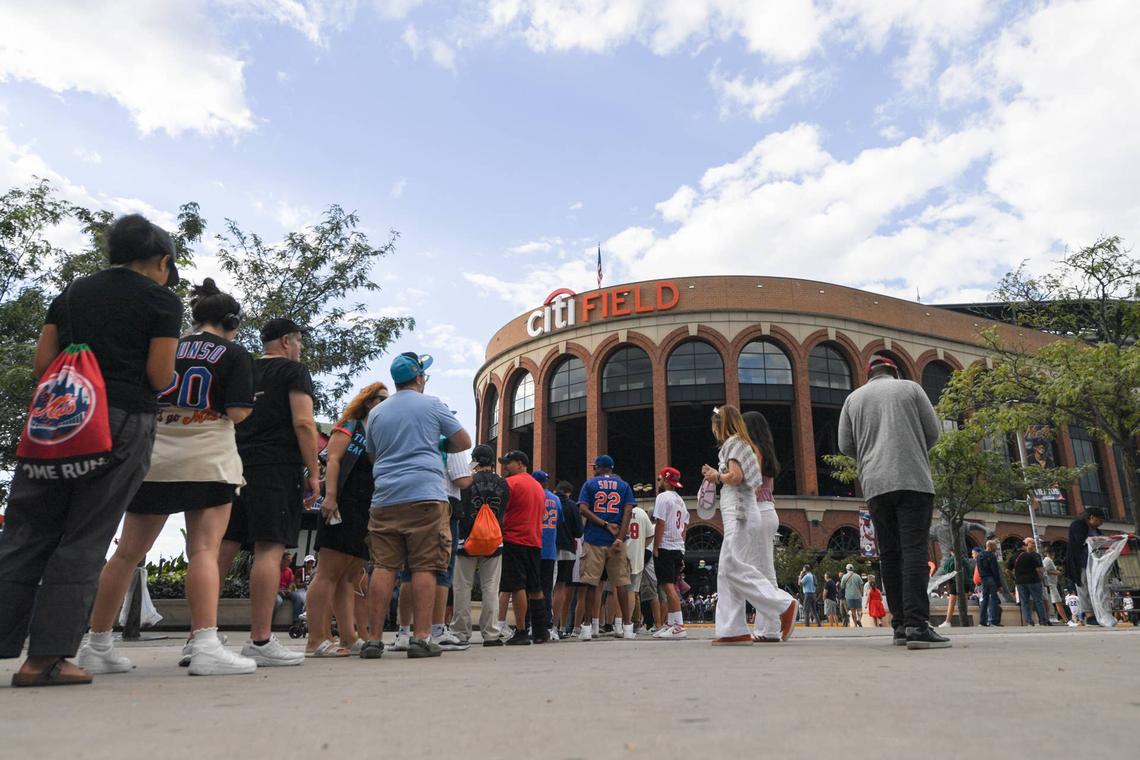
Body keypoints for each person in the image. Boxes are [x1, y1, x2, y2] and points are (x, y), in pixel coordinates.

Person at [0, 216, 182, 687]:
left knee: (24, 535)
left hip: (56, 421)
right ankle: (46, 660)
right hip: (119, 423)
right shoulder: (161, 300)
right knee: (83, 538)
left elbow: (44, 363)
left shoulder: (72, 294)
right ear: (162, 261)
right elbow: (160, 375)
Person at [78, 279, 256, 676]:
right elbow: (240, 413)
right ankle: (206, 643)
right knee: (205, 551)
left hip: (154, 457)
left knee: (126, 553)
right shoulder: (234, 352)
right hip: (207, 458)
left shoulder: (165, 347)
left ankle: (98, 643)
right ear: (230, 321)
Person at [217, 316, 319, 667]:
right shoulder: (294, 372)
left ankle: (199, 636)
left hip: (232, 465)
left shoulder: (243, 367)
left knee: (221, 549)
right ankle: (260, 640)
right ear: (288, 341)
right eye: (299, 342)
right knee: (269, 550)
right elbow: (304, 422)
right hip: (276, 467)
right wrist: (315, 473)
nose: (300, 349)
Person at [359, 352, 470, 659]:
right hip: (425, 495)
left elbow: (373, 455)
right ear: (419, 378)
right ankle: (421, 638)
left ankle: (374, 639)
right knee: (424, 566)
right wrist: (437, 443)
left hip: (385, 498)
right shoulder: (433, 404)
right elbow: (463, 441)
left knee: (384, 567)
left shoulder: (377, 413)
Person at [838, 354, 947, 650]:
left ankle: (899, 625)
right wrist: (909, 445)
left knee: (889, 555)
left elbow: (845, 445)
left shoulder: (854, 399)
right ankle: (917, 625)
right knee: (913, 550)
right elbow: (934, 432)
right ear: (894, 371)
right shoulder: (911, 388)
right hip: (912, 479)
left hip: (875, 484)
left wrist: (871, 453)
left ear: (869, 374)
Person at [305, 383, 388, 657]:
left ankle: (349, 637)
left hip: (365, 508)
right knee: (328, 571)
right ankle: (315, 638)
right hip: (343, 503)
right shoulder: (350, 424)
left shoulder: (378, 432)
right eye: (381, 398)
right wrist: (330, 498)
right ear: (368, 401)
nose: (385, 403)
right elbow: (334, 460)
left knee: (350, 576)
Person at [702, 405, 796, 645]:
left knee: (733, 566)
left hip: (745, 510)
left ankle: (781, 605)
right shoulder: (752, 447)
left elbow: (736, 478)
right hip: (758, 510)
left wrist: (716, 476)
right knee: (737, 570)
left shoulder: (737, 445)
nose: (713, 431)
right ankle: (739, 629)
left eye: (714, 425)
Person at [451, 445, 509, 646]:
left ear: (475, 460)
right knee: (491, 587)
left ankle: (460, 633)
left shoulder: (467, 482)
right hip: (494, 540)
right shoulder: (503, 484)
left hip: (465, 540)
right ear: (492, 462)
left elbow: (457, 507)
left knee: (462, 587)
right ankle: (491, 633)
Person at [577, 455, 638, 641]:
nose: (593, 469)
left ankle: (587, 627)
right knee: (621, 584)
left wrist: (604, 524)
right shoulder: (624, 485)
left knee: (590, 584)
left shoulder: (590, 484)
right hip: (616, 541)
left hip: (595, 538)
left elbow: (583, 509)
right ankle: (627, 626)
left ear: (601, 468)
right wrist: (620, 536)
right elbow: (628, 511)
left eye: (595, 466)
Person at [743, 409, 791, 642]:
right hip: (768, 510)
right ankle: (768, 627)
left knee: (757, 571)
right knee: (763, 570)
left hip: (758, 511)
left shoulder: (752, 451)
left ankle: (779, 613)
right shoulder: (764, 449)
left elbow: (751, 486)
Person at [497, 450, 547, 645]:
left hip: (514, 539)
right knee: (536, 587)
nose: (505, 467)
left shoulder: (511, 483)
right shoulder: (538, 487)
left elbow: (501, 509)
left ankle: (521, 630)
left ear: (519, 463)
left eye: (508, 463)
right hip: (534, 541)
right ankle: (541, 631)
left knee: (517, 586)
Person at [552, 479, 582, 637]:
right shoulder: (571, 505)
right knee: (561, 587)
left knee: (544, 586)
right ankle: (555, 627)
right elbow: (578, 532)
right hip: (567, 550)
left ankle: (538, 624)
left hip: (548, 548)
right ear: (569, 492)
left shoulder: (548, 501)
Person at [534, 470, 561, 640]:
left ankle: (532, 623)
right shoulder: (556, 499)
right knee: (547, 588)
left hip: (534, 546)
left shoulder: (534, 495)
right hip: (550, 549)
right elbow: (560, 520)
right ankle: (548, 624)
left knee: (532, 588)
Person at [1067, 507, 1106, 623]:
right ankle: (1089, 615)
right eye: (1100, 520)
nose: (1101, 523)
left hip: (1094, 563)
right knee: (1083, 587)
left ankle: (1098, 611)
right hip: (1081, 562)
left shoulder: (1096, 530)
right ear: (1091, 517)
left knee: (1096, 588)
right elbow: (1080, 541)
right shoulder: (1078, 525)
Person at [625, 502, 653, 633]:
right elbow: (650, 534)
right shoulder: (642, 513)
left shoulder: (620, 510)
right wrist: (641, 546)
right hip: (637, 555)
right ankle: (628, 624)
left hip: (621, 553)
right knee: (632, 591)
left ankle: (617, 623)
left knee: (616, 591)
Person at [1010, 538, 1049, 626]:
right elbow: (1038, 569)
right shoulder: (1030, 556)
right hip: (1033, 580)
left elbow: (1007, 569)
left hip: (1020, 582)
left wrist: (1014, 577)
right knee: (1038, 600)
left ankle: (1028, 621)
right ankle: (1042, 620)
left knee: (1024, 602)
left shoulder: (1013, 557)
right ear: (1023, 546)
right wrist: (1041, 579)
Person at [976, 539, 1005, 626]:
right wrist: (999, 585)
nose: (996, 548)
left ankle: (982, 621)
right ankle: (994, 620)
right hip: (991, 579)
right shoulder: (992, 556)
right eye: (995, 547)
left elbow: (979, 569)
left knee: (984, 600)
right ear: (992, 547)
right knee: (994, 599)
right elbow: (995, 571)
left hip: (983, 579)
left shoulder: (979, 556)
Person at [1041, 548, 1067, 623]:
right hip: (1051, 584)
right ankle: (1065, 619)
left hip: (1053, 583)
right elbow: (1045, 571)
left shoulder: (1049, 560)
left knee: (1054, 602)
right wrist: (1056, 572)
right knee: (1057, 601)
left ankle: (1056, 618)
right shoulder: (1047, 560)